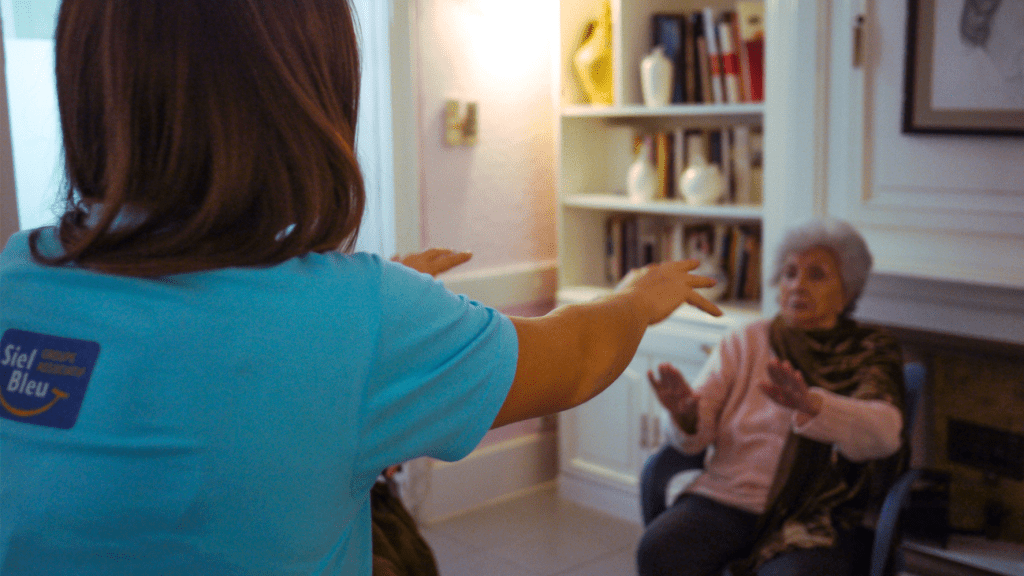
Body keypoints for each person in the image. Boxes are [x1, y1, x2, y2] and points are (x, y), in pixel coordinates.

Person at [0, 1, 723, 574]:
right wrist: (637, 294)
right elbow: (578, 358)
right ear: (305, 100)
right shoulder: (361, 317)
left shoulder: (15, 275)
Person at [637, 218, 908, 576]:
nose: (798, 285)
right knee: (659, 550)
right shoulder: (745, 340)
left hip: (814, 512)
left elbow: (886, 434)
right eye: (790, 273)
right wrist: (687, 416)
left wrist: (815, 407)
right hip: (728, 498)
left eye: (817, 275)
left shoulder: (870, 350)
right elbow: (695, 435)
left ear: (846, 292)